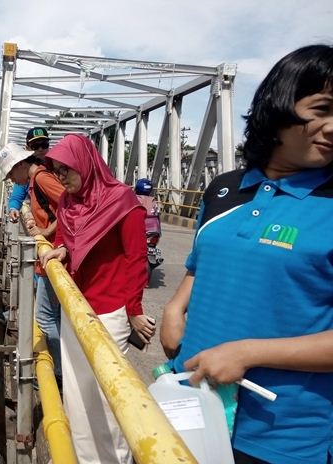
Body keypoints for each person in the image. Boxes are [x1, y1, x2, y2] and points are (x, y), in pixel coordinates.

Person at [160, 44, 333, 464]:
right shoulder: (224, 188)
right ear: (278, 106)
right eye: (323, 108)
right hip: (190, 405)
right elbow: (201, 266)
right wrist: (174, 309)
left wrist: (248, 353)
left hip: (282, 437)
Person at [39, 134, 156, 464]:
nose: (62, 177)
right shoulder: (67, 202)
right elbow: (64, 239)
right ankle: (84, 457)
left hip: (110, 312)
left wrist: (134, 310)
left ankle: (115, 459)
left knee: (107, 395)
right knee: (77, 392)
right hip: (75, 307)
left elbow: (136, 260)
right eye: (57, 171)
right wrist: (60, 248)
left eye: (67, 169)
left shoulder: (122, 201)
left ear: (85, 163)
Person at [0, 145, 65, 382]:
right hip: (51, 253)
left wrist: (46, 231)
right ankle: (61, 368)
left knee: (46, 317)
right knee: (54, 316)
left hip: (54, 256)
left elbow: (71, 207)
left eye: (11, 175)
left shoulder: (42, 179)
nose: (13, 180)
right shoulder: (35, 181)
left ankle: (57, 373)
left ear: (20, 165)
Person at [8, 127, 51, 222]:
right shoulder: (26, 172)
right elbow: (17, 196)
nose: (40, 149)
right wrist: (13, 208)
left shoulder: (56, 167)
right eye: (35, 146)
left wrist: (47, 231)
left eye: (44, 145)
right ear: (27, 147)